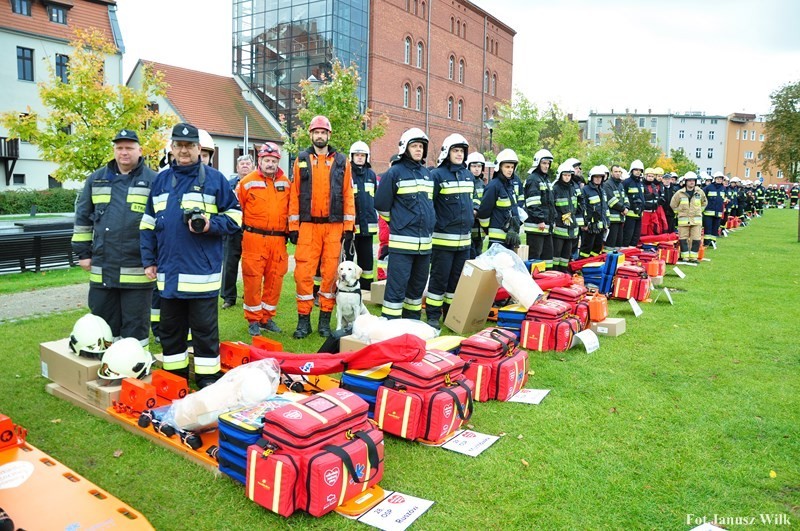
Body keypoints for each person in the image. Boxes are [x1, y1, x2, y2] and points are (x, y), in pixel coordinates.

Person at [139, 122, 242, 388]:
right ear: (171, 148)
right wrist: (148, 260)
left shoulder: (215, 179)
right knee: (171, 332)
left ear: (199, 148)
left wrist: (210, 224)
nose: (184, 151)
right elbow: (148, 224)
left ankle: (207, 377)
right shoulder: (161, 180)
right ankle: (176, 378)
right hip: (169, 276)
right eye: (179, 145)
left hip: (201, 276)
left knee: (205, 332)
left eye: (189, 146)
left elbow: (235, 217)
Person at [72, 129, 156, 347]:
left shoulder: (154, 181)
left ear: (140, 150)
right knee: (103, 323)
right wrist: (83, 253)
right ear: (114, 150)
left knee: (135, 325)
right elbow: (82, 218)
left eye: (129, 148)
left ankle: (134, 367)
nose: (124, 152)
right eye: (120, 148)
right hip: (102, 268)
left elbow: (161, 223)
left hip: (137, 269)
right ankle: (107, 365)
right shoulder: (96, 179)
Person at [289, 115, 355, 338]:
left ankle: (325, 321)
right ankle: (303, 322)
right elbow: (294, 194)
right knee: (303, 274)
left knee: (329, 274)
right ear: (311, 135)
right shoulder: (300, 160)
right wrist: (294, 226)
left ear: (329, 135)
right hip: (308, 226)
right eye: (316, 132)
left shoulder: (342, 161)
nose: (320, 135)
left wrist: (348, 226)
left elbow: (348, 194)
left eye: (323, 132)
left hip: (333, 226)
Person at [374, 128, 435, 320]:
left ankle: (412, 323)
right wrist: (398, 222)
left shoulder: (427, 174)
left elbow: (428, 205)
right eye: (414, 146)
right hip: (402, 244)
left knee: (417, 289)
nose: (418, 150)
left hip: (424, 246)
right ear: (404, 148)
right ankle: (390, 323)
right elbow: (381, 205)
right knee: (396, 287)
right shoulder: (394, 173)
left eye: (421, 147)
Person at [238, 142, 290, 336]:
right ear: (259, 161)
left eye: (274, 160)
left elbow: (291, 209)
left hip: (278, 239)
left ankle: (266, 318)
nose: (270, 164)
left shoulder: (285, 182)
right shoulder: (247, 182)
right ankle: (253, 319)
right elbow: (238, 209)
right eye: (267, 160)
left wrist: (291, 231)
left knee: (275, 279)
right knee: (252, 279)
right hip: (254, 237)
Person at [425, 134, 475, 329]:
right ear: (447, 152)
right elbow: (430, 205)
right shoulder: (437, 175)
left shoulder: (467, 175)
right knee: (439, 279)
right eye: (455, 151)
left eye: (462, 151)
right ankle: (432, 316)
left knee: (456, 281)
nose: (459, 154)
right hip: (442, 241)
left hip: (464, 242)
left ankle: (450, 314)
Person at [221, 154, 253, 309]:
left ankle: (249, 295)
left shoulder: (257, 183)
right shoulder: (229, 185)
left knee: (251, 265)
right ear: (237, 168)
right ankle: (228, 297)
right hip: (232, 229)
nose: (245, 166)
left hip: (251, 230)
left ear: (253, 166)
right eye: (242, 164)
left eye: (248, 163)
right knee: (229, 264)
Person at [347, 141, 378, 290]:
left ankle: (366, 289)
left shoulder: (371, 175)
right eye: (357, 155)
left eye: (362, 155)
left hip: (367, 228)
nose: (360, 158)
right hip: (351, 228)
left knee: (367, 261)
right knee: (348, 260)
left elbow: (376, 198)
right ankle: (347, 288)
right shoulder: (346, 174)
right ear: (351, 156)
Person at [477, 149, 522, 250]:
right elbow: (484, 212)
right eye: (507, 167)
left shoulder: (510, 186)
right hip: (497, 240)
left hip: (510, 238)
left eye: (512, 167)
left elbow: (513, 210)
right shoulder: (493, 186)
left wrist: (515, 228)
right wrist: (487, 230)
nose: (510, 170)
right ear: (499, 167)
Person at [523, 149, 555, 267]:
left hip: (546, 226)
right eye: (544, 163)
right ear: (537, 163)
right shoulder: (533, 179)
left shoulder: (545, 179)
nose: (546, 166)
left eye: (548, 163)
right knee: (535, 258)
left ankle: (546, 282)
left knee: (547, 258)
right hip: (536, 226)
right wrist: (540, 219)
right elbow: (533, 203)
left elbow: (550, 203)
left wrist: (552, 220)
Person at [670, 172, 707, 262]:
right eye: (689, 181)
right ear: (686, 182)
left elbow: (704, 203)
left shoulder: (700, 192)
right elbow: (673, 204)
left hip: (696, 220)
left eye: (693, 181)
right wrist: (679, 212)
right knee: (683, 239)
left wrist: (699, 211)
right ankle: (685, 256)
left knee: (696, 239)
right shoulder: (679, 193)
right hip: (683, 220)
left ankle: (693, 257)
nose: (691, 182)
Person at [551, 162, 580, 272]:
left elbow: (575, 205)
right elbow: (552, 205)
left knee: (567, 252)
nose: (567, 177)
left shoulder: (572, 188)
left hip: (570, 226)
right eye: (565, 175)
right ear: (560, 175)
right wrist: (559, 217)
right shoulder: (556, 188)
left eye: (569, 175)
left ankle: (564, 270)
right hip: (559, 226)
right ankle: (555, 270)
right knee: (557, 252)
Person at [578, 166, 610, 258]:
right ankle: (581, 267)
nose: (598, 179)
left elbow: (605, 208)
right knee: (586, 249)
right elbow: (582, 207)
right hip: (589, 226)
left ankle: (593, 266)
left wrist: (606, 222)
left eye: (600, 177)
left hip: (600, 226)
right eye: (596, 177)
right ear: (591, 177)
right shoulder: (585, 190)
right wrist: (584, 224)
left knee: (597, 248)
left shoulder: (602, 191)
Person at [603, 165, 629, 251]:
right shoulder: (607, 185)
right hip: (612, 219)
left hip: (620, 218)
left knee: (619, 242)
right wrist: (623, 209)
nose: (618, 173)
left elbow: (625, 197)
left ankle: (616, 259)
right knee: (610, 242)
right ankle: (607, 259)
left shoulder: (620, 185)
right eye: (615, 171)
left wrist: (626, 207)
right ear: (611, 173)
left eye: (619, 172)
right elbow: (611, 201)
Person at [466, 152, 487, 258]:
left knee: (478, 256)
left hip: (480, 230)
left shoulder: (482, 184)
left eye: (479, 166)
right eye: (474, 166)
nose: (476, 169)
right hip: (469, 226)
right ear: (468, 166)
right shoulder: (466, 182)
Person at [622, 159, 645, 246]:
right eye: (636, 170)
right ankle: (625, 252)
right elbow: (623, 196)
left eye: (639, 170)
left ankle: (632, 252)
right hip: (630, 214)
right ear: (632, 170)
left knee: (636, 236)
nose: (638, 172)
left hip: (639, 214)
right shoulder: (627, 182)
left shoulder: (640, 183)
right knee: (628, 235)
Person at [702, 171, 726, 247]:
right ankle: (706, 242)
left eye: (720, 179)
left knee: (715, 228)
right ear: (714, 179)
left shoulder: (723, 188)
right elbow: (702, 197)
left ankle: (713, 242)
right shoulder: (708, 187)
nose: (719, 180)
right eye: (718, 178)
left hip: (718, 212)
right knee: (708, 228)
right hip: (708, 212)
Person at [641, 168, 664, 236]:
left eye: (652, 176)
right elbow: (642, 197)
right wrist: (650, 196)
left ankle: (651, 242)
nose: (651, 178)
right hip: (645, 211)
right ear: (645, 176)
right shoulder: (642, 185)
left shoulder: (654, 186)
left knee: (654, 227)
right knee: (644, 229)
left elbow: (656, 197)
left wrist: (659, 201)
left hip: (653, 211)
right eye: (649, 176)